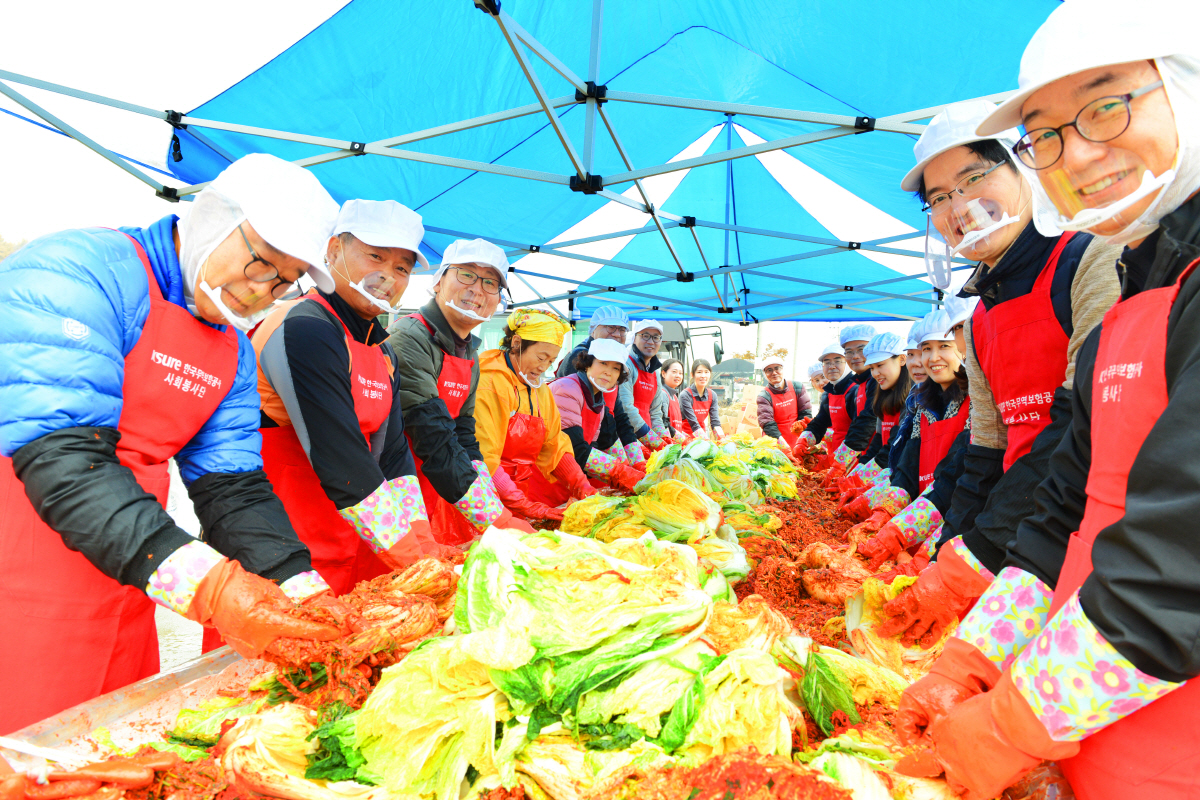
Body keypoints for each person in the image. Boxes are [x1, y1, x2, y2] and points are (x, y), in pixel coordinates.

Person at [896, 7, 1200, 799]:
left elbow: (1180, 567)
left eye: (1106, 105)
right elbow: (1063, 500)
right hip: (1088, 738)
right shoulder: (1141, 289)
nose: (1080, 153)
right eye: (1048, 134)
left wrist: (1009, 722)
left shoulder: (1100, 273)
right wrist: (980, 652)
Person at [0, 154, 346, 732]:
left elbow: (231, 486)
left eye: (284, 280)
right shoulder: (81, 270)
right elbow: (60, 456)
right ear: (210, 214)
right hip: (26, 547)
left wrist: (300, 588)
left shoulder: (232, 348)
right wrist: (211, 588)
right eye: (260, 261)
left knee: (112, 747)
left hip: (130, 569)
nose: (262, 290)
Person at [876, 99, 1124, 647]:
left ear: (1024, 165)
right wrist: (952, 548)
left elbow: (1078, 427)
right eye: (938, 198)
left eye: (973, 178)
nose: (959, 206)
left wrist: (977, 555)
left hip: (1097, 541)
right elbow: (985, 448)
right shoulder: (982, 313)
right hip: (1021, 528)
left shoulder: (1092, 261)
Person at [253, 200, 452, 597]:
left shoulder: (382, 350)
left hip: (352, 533)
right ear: (332, 251)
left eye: (402, 268)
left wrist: (426, 548)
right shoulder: (304, 327)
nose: (387, 276)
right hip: (281, 548)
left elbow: (395, 456)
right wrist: (417, 564)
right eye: (375, 256)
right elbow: (337, 453)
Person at [388, 239, 534, 547]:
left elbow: (464, 433)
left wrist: (488, 493)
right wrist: (496, 519)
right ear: (438, 282)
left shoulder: (469, 351)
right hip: (398, 492)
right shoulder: (410, 337)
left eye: (490, 282)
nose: (477, 289)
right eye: (466, 274)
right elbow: (432, 433)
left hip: (443, 484)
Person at [853, 310, 972, 571]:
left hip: (955, 529)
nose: (931, 358)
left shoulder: (977, 402)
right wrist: (883, 511)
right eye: (925, 349)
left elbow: (955, 479)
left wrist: (900, 532)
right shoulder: (921, 405)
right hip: (919, 522)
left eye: (944, 346)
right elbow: (906, 468)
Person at [476, 309, 596, 523]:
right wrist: (521, 503)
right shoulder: (490, 382)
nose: (543, 367)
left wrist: (580, 484)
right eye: (541, 357)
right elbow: (483, 457)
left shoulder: (539, 389)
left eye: (551, 361)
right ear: (516, 343)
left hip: (517, 495)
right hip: (482, 498)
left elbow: (554, 443)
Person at [550, 338, 647, 495]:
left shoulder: (598, 401)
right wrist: (621, 473)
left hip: (568, 485)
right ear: (588, 363)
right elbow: (574, 448)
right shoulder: (567, 389)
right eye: (603, 363)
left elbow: (596, 444)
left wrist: (627, 473)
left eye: (616, 368)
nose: (608, 372)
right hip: (547, 486)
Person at [618, 319, 673, 449]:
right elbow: (626, 407)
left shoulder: (655, 371)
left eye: (656, 337)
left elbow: (655, 412)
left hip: (646, 438)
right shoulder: (626, 364)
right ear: (634, 338)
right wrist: (651, 438)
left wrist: (665, 439)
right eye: (645, 336)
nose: (650, 342)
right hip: (626, 439)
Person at [797, 341, 850, 453]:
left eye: (837, 361)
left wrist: (840, 461)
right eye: (827, 363)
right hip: (837, 455)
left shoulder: (856, 390)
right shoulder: (829, 393)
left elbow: (861, 433)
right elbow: (820, 423)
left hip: (854, 459)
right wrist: (804, 440)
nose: (832, 367)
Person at [554, 304, 629, 378]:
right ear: (593, 329)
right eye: (611, 327)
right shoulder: (581, 355)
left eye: (622, 330)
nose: (617, 334)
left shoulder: (614, 357)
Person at [756, 356, 813, 451]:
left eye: (777, 368)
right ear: (765, 374)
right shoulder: (764, 395)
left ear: (783, 369)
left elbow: (805, 413)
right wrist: (783, 445)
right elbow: (767, 423)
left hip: (796, 439)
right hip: (775, 442)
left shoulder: (797, 387)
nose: (774, 373)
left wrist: (802, 439)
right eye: (769, 370)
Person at [679, 359, 725, 439]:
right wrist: (706, 441)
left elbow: (715, 422)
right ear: (692, 375)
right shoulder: (685, 395)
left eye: (706, 372)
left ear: (710, 374)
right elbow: (693, 423)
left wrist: (721, 439)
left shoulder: (712, 395)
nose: (703, 376)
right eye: (699, 372)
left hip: (701, 436)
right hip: (685, 438)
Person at [656, 357, 687, 439]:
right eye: (674, 372)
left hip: (675, 442)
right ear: (663, 374)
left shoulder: (675, 397)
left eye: (680, 373)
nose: (678, 375)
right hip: (668, 443)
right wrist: (680, 437)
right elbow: (663, 424)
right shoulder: (663, 394)